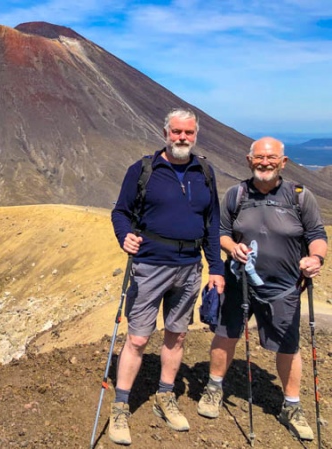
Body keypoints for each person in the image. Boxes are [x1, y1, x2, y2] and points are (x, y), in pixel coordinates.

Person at [197, 136, 327, 441]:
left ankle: (292, 406)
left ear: (282, 162)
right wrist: (232, 248)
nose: (264, 163)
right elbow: (222, 232)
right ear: (249, 160)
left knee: (288, 345)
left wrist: (315, 257)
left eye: (271, 158)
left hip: (283, 288)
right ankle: (214, 388)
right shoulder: (236, 194)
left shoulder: (299, 196)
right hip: (238, 283)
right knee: (226, 334)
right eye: (259, 158)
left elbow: (316, 233)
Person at [109, 108, 225, 445]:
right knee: (138, 338)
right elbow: (121, 211)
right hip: (150, 265)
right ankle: (120, 405)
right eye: (176, 132)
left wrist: (216, 268)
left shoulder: (205, 171)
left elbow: (212, 224)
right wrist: (124, 235)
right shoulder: (144, 169)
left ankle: (165, 395)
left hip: (189, 267)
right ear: (165, 133)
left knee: (177, 335)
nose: (182, 138)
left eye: (188, 133)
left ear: (196, 135)